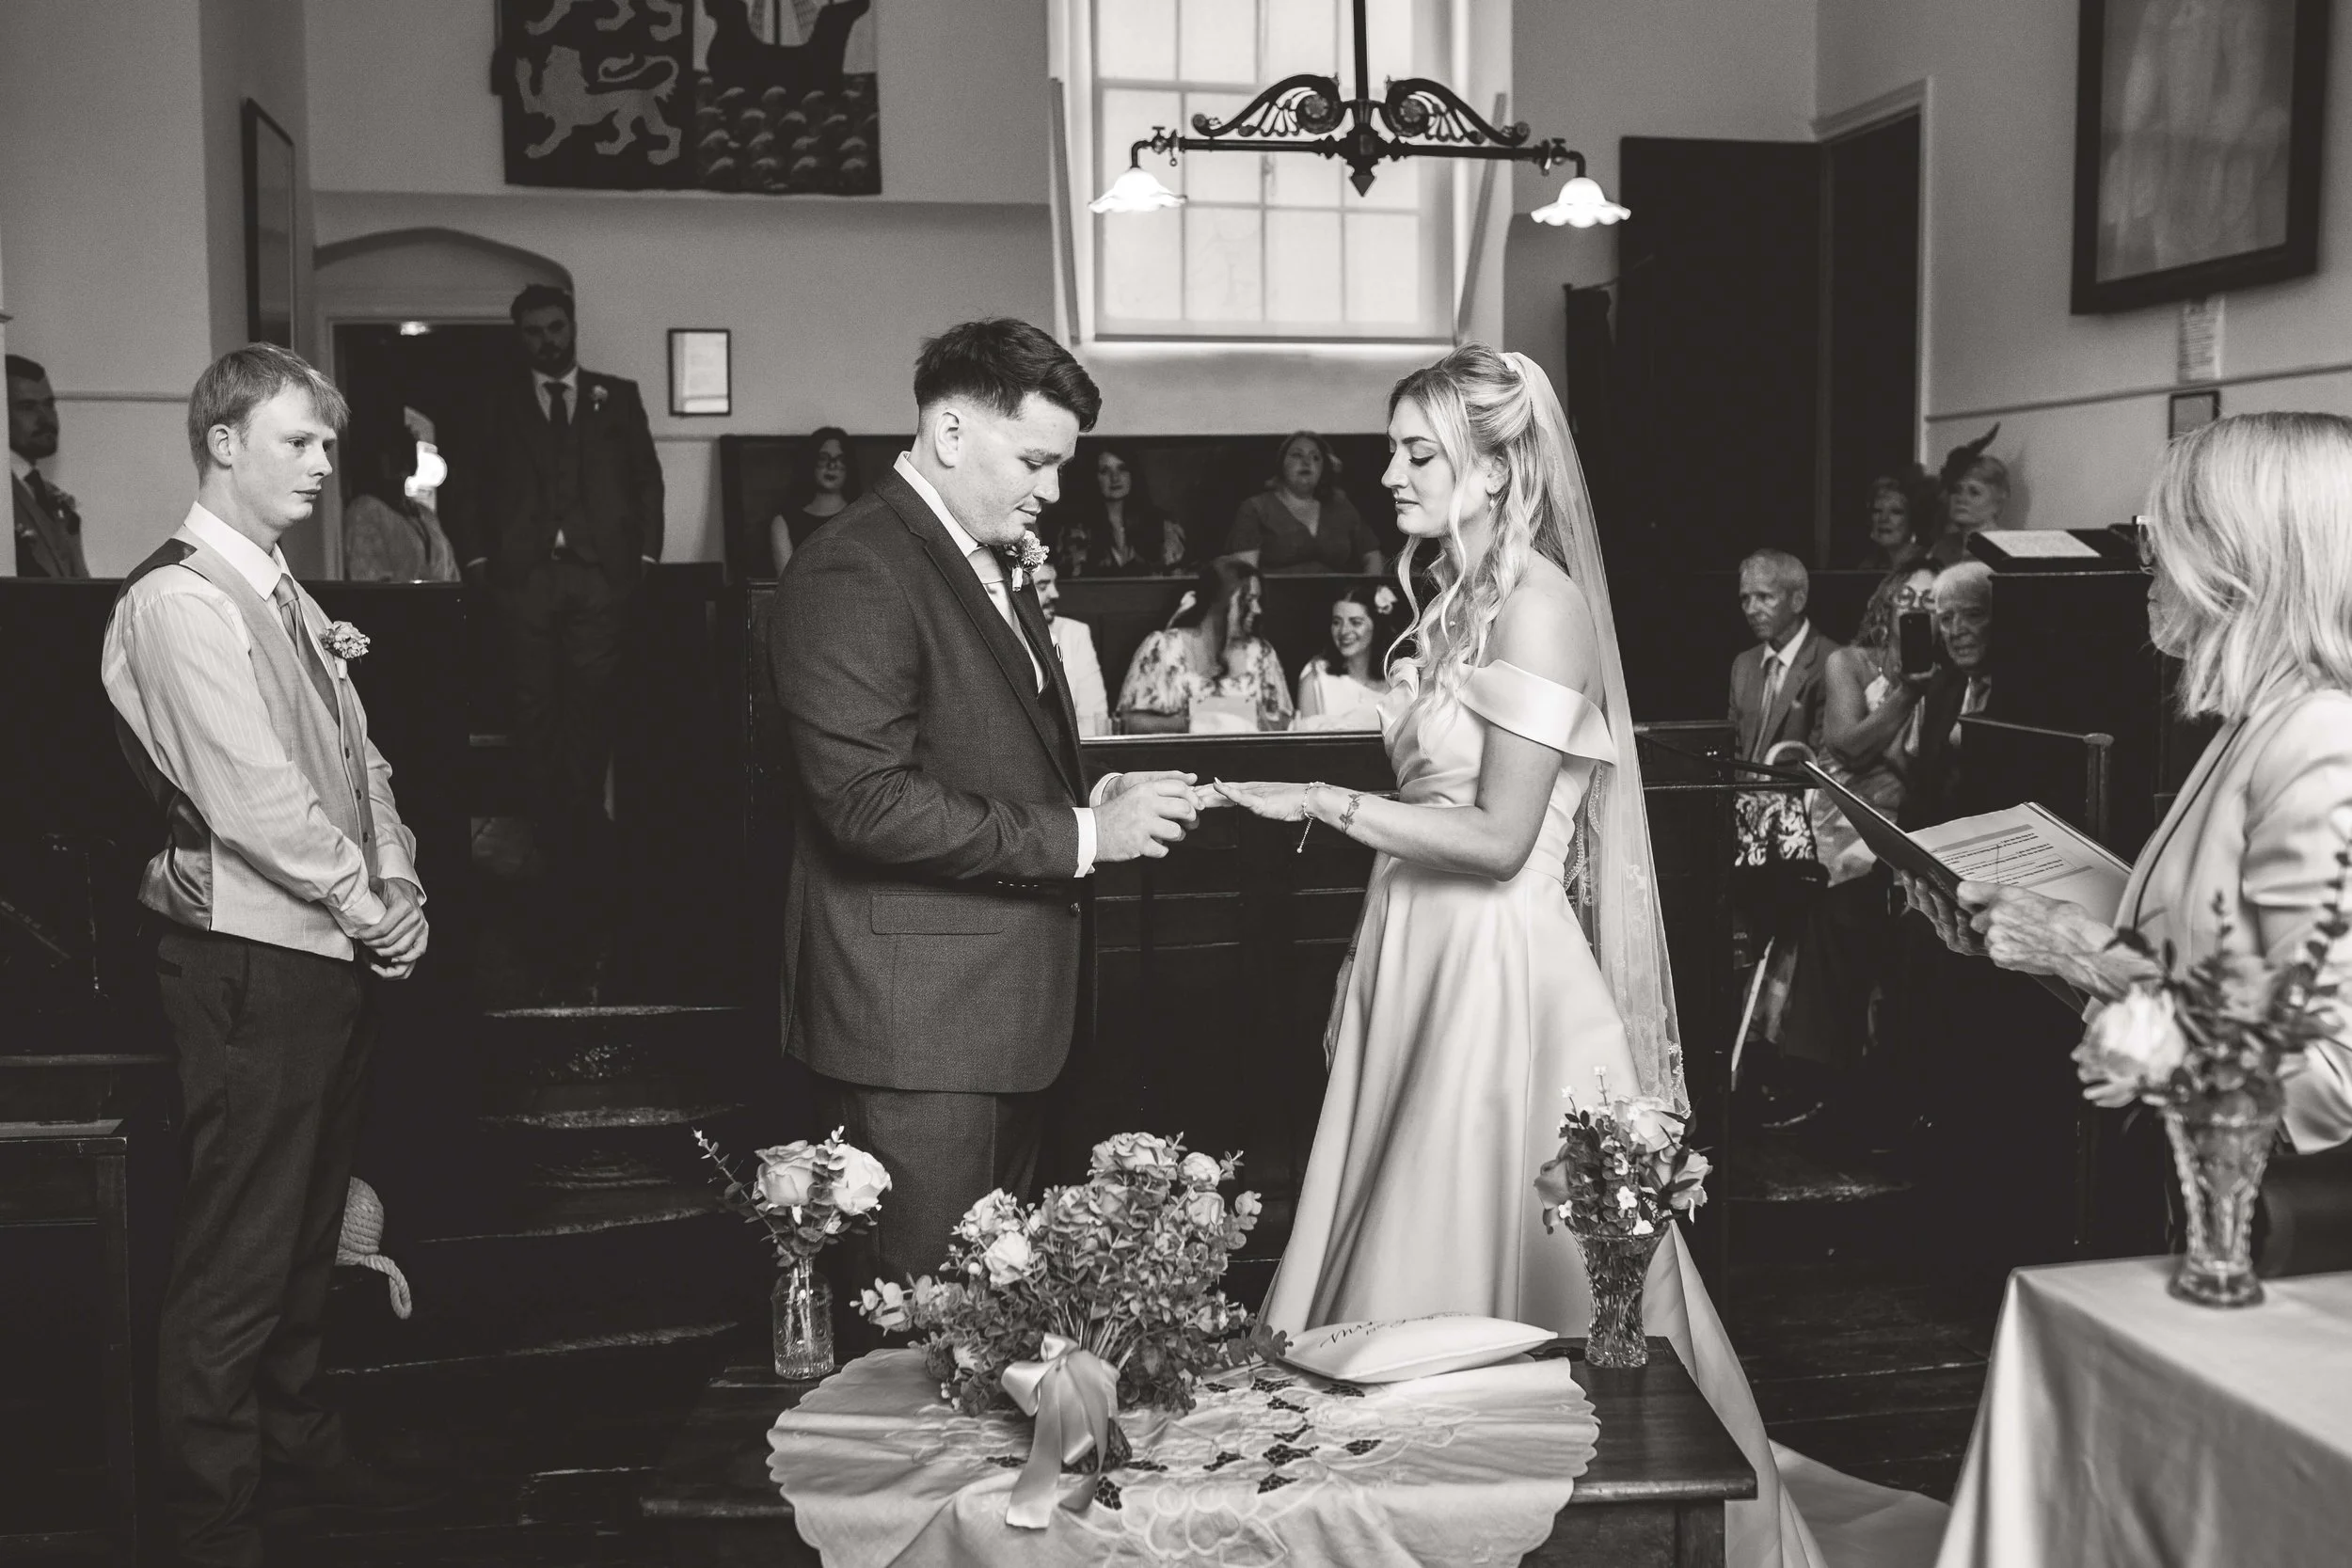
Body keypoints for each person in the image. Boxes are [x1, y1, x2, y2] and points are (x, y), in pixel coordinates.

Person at [1216, 345, 1868, 1568]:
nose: (1389, 473)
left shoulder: (1539, 600)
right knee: (1384, 1209)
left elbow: (1501, 837)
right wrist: (1361, 966)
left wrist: (1318, 797)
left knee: (1497, 1235)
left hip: (1495, 972)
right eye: (1392, 449)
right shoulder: (1454, 594)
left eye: (1418, 452)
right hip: (1416, 952)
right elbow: (1432, 816)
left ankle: (1530, 1516)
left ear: (1497, 465)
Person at [766, 317, 1200, 1294]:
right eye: (1036, 461)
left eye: (1060, 466)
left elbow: (983, 746)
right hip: (920, 1031)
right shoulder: (855, 564)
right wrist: (1087, 834)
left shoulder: (982, 548)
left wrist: (1091, 793)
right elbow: (866, 802)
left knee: (999, 1330)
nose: (1053, 490)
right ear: (952, 432)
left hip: (1004, 1017)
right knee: (924, 1332)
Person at [103, 345, 433, 1567]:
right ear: (224, 442)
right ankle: (212, 1516)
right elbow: (254, 800)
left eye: (328, 442)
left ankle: (298, 1446)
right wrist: (367, 904)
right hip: (247, 962)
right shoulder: (179, 601)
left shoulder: (281, 588)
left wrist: (399, 881)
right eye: (299, 440)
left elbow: (360, 762)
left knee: (305, 1235)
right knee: (238, 1254)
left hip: (324, 948)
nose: (324, 461)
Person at [1906, 412, 2352, 1156]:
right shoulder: (2254, 722)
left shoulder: (2320, 737)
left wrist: (2078, 948)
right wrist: (2033, 935)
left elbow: (2327, 1084)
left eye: (2160, 532)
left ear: (2242, 557)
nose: (2144, 560)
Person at [442, 283, 664, 868]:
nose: (548, 340)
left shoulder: (616, 397)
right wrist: (478, 562)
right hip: (522, 579)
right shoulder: (496, 401)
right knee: (533, 705)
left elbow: (646, 479)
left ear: (572, 326)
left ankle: (584, 818)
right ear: (521, 337)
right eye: (535, 331)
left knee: (594, 702)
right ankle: (546, 824)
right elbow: (465, 487)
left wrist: (644, 559)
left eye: (556, 327)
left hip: (601, 577)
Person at [1773, 563, 1939, 1121]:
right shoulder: (1849, 662)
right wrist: (1907, 701)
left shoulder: (1949, 676)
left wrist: (1886, 746)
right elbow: (1846, 746)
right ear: (1887, 603)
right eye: (1908, 596)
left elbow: (1925, 775)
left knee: (1874, 901)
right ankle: (1809, 1073)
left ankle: (1858, 1077)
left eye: (1930, 601)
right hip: (1845, 814)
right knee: (1837, 892)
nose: (1917, 608)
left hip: (1906, 824)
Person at [1116, 556, 1294, 733]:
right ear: (1220, 601)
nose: (1257, 609)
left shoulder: (1262, 655)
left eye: (1258, 601)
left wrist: (1258, 721)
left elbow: (1285, 725)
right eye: (1248, 600)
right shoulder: (1162, 648)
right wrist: (1190, 724)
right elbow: (1128, 723)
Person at [1898, 561, 1994, 830]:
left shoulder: (2028, 694)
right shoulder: (1942, 686)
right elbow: (1921, 787)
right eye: (1946, 619)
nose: (1956, 631)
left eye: (1973, 615)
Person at [1729, 548, 1840, 764]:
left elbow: (1824, 762)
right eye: (1745, 598)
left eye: (1764, 597)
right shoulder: (1743, 665)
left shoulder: (1832, 662)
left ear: (1797, 601)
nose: (1751, 610)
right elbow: (1733, 750)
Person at [1225, 430, 1383, 574]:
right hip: (1274, 596)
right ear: (1281, 464)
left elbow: (1373, 556)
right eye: (1297, 455)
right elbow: (1246, 574)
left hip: (1338, 596)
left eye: (1315, 457)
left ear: (1323, 469)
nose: (1307, 462)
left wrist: (1369, 590)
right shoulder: (1256, 508)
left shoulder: (1341, 507)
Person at [342, 409, 458, 582]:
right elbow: (371, 582)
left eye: (402, 453)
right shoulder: (365, 511)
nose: (397, 461)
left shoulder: (426, 516)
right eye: (388, 454)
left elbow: (451, 574)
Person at [8, 352, 92, 578]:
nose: (45, 418)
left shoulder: (48, 494)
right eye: (27, 406)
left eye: (49, 404)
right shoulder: (5, 493)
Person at [1055, 443, 1187, 576]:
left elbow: (1175, 575)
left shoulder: (1162, 524)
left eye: (1122, 469)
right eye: (1105, 471)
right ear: (1093, 477)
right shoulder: (1077, 529)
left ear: (1132, 474)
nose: (1115, 478)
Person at [1293, 584, 1399, 731]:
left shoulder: (1399, 678)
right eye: (1337, 622)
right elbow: (1306, 741)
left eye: (1355, 622)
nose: (1344, 631)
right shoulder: (1316, 678)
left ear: (1376, 626)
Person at [767, 425, 862, 576]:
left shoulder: (862, 516)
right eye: (823, 458)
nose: (832, 466)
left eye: (840, 459)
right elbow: (788, 583)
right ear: (810, 462)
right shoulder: (784, 522)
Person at [1032, 560, 1110, 738]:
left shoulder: (1075, 633)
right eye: (1043, 586)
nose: (1055, 593)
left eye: (1054, 584)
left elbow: (1095, 716)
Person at [1929, 426, 2006, 567]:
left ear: (1997, 502)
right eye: (1956, 490)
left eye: (1974, 492)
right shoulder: (1942, 547)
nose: (1961, 498)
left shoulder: (2005, 547)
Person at [1857, 467, 1936, 572]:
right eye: (1877, 511)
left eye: (1896, 512)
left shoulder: (1929, 564)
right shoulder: (1867, 566)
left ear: (1914, 518)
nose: (1883, 519)